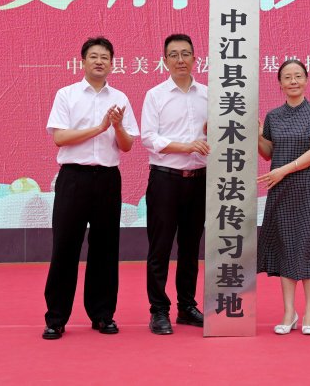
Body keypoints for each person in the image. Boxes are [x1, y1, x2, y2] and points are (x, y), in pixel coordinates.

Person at [42, 36, 139, 340]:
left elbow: (127, 146)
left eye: (105, 57)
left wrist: (118, 126)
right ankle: (56, 318)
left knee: (105, 249)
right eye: (94, 56)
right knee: (65, 248)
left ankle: (102, 315)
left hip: (107, 179)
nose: (99, 61)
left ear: (112, 64)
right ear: (82, 61)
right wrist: (99, 128)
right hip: (73, 178)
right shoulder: (66, 95)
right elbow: (59, 138)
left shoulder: (120, 98)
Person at [140, 34, 209, 335]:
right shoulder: (155, 95)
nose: (180, 60)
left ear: (195, 58)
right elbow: (148, 138)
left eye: (185, 54)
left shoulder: (209, 95)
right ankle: (158, 310)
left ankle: (187, 306)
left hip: (200, 179)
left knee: (191, 248)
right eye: (174, 54)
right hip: (165, 179)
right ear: (164, 61)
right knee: (160, 247)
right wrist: (186, 146)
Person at [257, 59, 310, 336]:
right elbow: (268, 153)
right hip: (281, 190)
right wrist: (255, 133)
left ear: (306, 80)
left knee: (308, 246)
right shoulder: (273, 116)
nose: (293, 81)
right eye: (287, 77)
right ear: (280, 83)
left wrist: (283, 170)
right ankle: (289, 312)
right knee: (286, 245)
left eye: (298, 76)